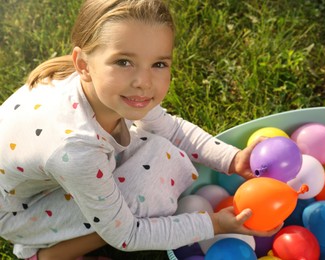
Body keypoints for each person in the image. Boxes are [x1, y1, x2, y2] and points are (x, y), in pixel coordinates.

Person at [0, 0, 282, 259]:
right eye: (124, 62)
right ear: (83, 65)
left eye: (158, 64)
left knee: (161, 151)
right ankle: (46, 256)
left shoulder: (99, 88)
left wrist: (232, 160)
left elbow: (171, 129)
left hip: (39, 183)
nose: (144, 82)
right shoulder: (77, 149)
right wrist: (213, 224)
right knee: (154, 181)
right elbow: (126, 233)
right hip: (18, 214)